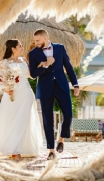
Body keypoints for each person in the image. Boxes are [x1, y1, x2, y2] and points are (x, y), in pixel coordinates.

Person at [0, 39, 43, 161]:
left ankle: (17, 150)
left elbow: (31, 75)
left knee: (23, 121)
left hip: (26, 93)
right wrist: (7, 90)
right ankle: (11, 147)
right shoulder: (4, 62)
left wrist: (41, 66)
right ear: (13, 49)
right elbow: (0, 81)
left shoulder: (24, 60)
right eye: (20, 46)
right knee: (10, 120)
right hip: (12, 95)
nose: (22, 48)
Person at [28, 29, 79, 160]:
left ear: (45, 38)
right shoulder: (33, 53)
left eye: (37, 40)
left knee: (68, 114)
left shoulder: (60, 48)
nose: (35, 43)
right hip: (45, 88)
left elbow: (68, 67)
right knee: (47, 120)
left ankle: (61, 139)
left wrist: (75, 85)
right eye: (35, 41)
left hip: (61, 85)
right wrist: (45, 65)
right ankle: (51, 150)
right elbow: (33, 74)